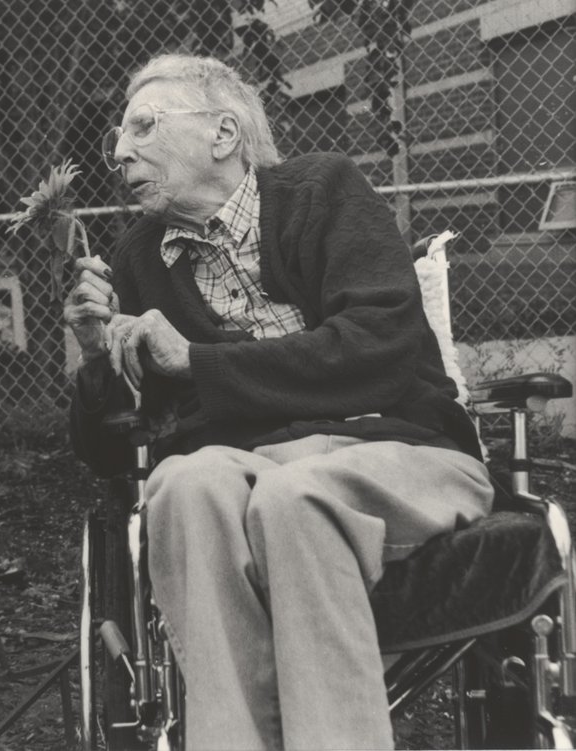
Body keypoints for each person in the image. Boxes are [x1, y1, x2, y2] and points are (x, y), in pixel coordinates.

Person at [65, 53, 494, 750]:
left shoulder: (323, 191)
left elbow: (379, 344)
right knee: (183, 484)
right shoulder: (139, 256)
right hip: (248, 468)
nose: (119, 150)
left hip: (400, 450)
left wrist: (198, 362)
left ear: (223, 135)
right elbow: (110, 448)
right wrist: (93, 354)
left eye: (144, 125)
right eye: (119, 134)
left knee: (293, 497)